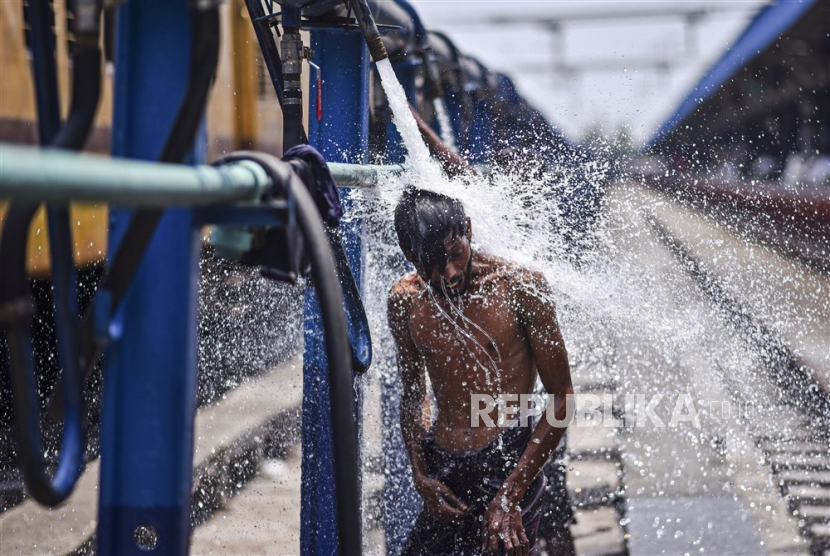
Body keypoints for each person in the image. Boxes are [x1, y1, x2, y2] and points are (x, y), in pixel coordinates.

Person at [387, 112, 574, 555]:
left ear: (467, 230)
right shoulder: (405, 301)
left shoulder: (521, 287)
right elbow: (414, 393)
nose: (449, 272)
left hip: (509, 460)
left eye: (456, 253)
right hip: (445, 468)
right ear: (408, 255)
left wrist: (510, 494)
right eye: (432, 264)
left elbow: (563, 397)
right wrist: (420, 474)